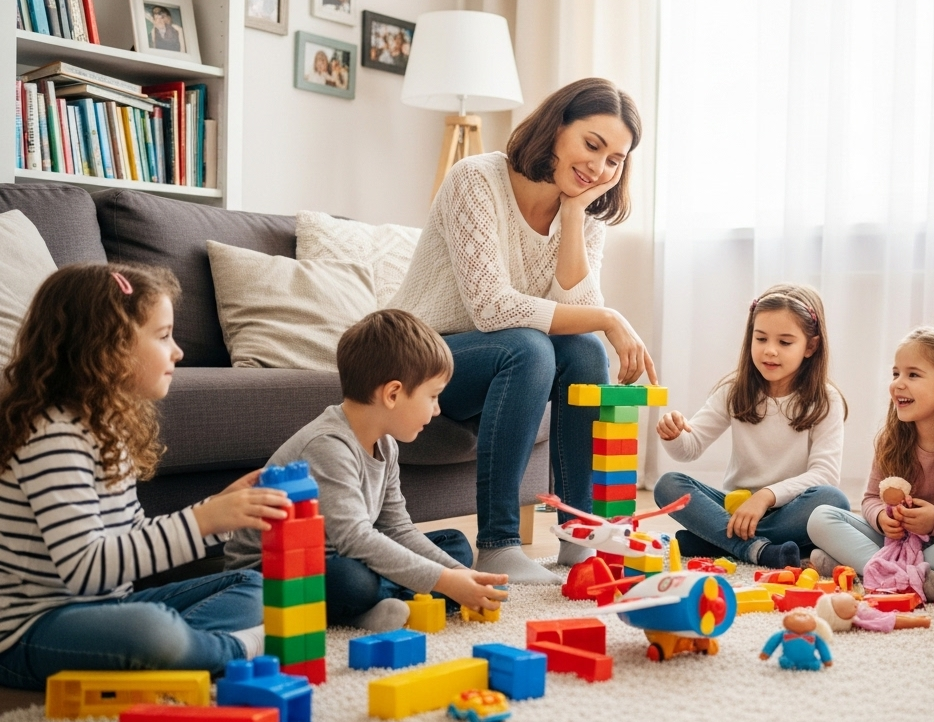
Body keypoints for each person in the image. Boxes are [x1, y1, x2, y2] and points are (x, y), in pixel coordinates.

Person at [389, 77, 653, 584]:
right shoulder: (475, 179)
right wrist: (611, 318)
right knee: (532, 348)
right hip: (423, 356)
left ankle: (581, 536)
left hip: (497, 358)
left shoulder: (587, 209)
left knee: (584, 353)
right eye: (592, 145)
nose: (599, 168)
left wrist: (573, 214)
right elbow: (491, 308)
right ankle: (499, 543)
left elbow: (575, 312)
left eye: (615, 160)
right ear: (556, 128)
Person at [0, 264, 291, 690]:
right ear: (108, 347)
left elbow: (131, 535)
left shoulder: (105, 426)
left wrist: (214, 514)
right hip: (30, 631)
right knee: (150, 630)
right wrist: (204, 521)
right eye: (163, 336)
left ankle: (183, 652)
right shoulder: (53, 433)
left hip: (108, 610)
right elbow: (86, 568)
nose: (178, 352)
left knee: (252, 584)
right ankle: (231, 650)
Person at [225, 310, 508, 630]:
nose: (438, 409)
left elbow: (397, 528)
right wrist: (446, 582)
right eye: (433, 396)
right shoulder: (328, 445)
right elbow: (356, 539)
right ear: (392, 394)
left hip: (347, 554)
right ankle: (374, 603)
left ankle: (384, 602)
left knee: (453, 545)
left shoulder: (385, 445)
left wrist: (461, 575)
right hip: (275, 573)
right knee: (353, 581)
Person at [652, 284, 849, 569]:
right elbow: (689, 450)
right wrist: (673, 434)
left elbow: (825, 475)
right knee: (668, 485)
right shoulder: (735, 390)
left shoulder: (825, 400)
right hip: (736, 507)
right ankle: (758, 550)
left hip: (789, 510)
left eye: (785, 342)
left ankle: (718, 540)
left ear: (811, 346)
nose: (770, 351)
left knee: (833, 500)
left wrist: (765, 497)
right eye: (761, 338)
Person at [807, 328, 934, 600]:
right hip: (895, 542)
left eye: (912, 374)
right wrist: (881, 518)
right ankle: (908, 575)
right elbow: (869, 499)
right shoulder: (891, 439)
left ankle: (870, 570)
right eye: (895, 373)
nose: (897, 383)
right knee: (820, 518)